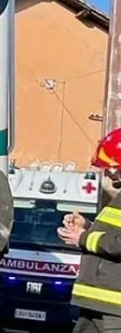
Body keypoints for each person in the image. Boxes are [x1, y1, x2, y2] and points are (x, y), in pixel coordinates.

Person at [58, 127, 121, 332]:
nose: (109, 172)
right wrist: (87, 226)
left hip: (114, 308)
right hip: (96, 301)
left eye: (113, 166)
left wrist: (83, 237)